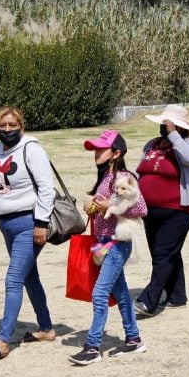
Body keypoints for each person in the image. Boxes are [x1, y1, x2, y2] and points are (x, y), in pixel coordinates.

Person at [0, 106, 57, 359]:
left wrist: (41, 222)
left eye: (13, 125)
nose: (8, 130)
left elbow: (46, 188)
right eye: (3, 125)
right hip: (5, 225)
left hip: (28, 224)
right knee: (29, 277)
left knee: (13, 280)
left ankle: (2, 340)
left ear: (22, 126)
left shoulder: (31, 149)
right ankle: (46, 328)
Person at [68, 130, 148, 365]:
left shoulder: (124, 177)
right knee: (120, 292)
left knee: (100, 292)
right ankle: (134, 338)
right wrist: (93, 206)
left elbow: (141, 209)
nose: (96, 153)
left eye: (101, 149)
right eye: (95, 149)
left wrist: (106, 207)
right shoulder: (106, 178)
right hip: (104, 243)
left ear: (116, 153)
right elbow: (102, 206)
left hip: (117, 243)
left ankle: (92, 346)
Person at [133, 104, 189, 316]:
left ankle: (149, 301)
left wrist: (173, 135)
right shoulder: (152, 144)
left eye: (169, 124)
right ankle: (177, 296)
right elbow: (141, 170)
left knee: (163, 253)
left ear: (180, 127)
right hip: (150, 211)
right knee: (165, 253)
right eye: (164, 124)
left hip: (177, 210)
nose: (165, 127)